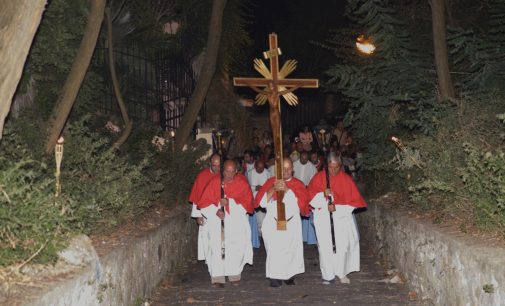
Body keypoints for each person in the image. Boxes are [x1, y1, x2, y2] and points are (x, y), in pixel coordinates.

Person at [307, 152, 367, 285]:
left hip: (342, 219)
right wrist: (323, 196)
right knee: (325, 247)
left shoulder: (346, 179)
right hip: (323, 218)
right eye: (330, 167)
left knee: (342, 246)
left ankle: (341, 272)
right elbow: (310, 198)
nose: (333, 171)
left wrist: (337, 209)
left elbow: (353, 203)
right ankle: (328, 275)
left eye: (336, 167)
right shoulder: (318, 178)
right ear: (326, 166)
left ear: (340, 166)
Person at [254, 158, 310, 287]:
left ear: (293, 169)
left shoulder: (298, 184)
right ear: (277, 169)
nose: (285, 171)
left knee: (290, 250)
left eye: (288, 168)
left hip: (291, 222)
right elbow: (261, 203)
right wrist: (273, 188)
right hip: (273, 222)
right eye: (283, 168)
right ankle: (275, 277)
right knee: (274, 250)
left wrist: (286, 190)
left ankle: (288, 275)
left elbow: (300, 205)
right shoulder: (270, 182)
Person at [198, 160, 254, 288]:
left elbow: (248, 204)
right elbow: (204, 203)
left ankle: (234, 274)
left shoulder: (242, 183)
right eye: (226, 171)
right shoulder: (214, 183)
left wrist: (230, 203)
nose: (229, 174)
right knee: (217, 247)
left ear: (236, 171)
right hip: (217, 222)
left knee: (236, 247)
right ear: (223, 171)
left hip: (235, 221)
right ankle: (217, 277)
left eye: (232, 171)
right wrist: (216, 210)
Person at [188, 153, 220, 262]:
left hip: (220, 212)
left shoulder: (225, 174)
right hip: (206, 212)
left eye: (219, 165)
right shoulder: (202, 176)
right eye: (214, 165)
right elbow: (197, 195)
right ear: (210, 163)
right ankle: (209, 260)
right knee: (207, 237)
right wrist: (197, 215)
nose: (217, 168)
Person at [293, 151, 318, 245]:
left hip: (306, 192)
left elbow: (314, 182)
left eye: (305, 159)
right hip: (295, 191)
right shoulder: (294, 164)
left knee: (305, 212)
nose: (304, 160)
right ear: (300, 157)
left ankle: (305, 235)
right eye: (302, 159)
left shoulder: (312, 167)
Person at [248, 160, 271, 238]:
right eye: (258, 168)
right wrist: (255, 188)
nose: (260, 170)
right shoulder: (250, 173)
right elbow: (247, 187)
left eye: (262, 168)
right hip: (253, 199)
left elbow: (271, 186)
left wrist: (263, 188)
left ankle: (263, 234)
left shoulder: (268, 173)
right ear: (255, 167)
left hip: (264, 199)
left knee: (262, 219)